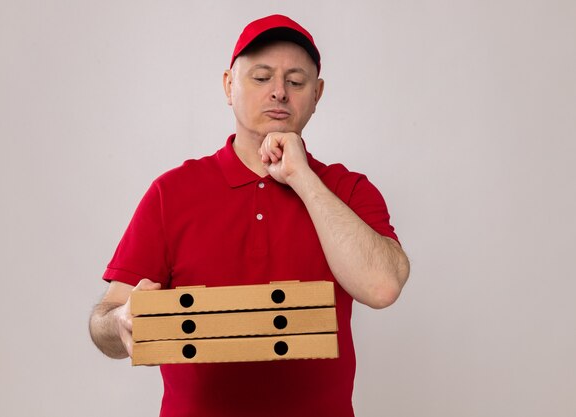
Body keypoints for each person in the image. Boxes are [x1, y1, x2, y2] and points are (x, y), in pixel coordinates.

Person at [89, 14, 410, 417]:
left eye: (296, 81)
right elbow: (103, 323)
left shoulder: (347, 190)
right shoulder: (172, 192)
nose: (279, 92)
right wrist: (121, 320)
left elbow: (382, 287)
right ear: (228, 85)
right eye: (261, 78)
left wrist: (304, 180)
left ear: (317, 94)